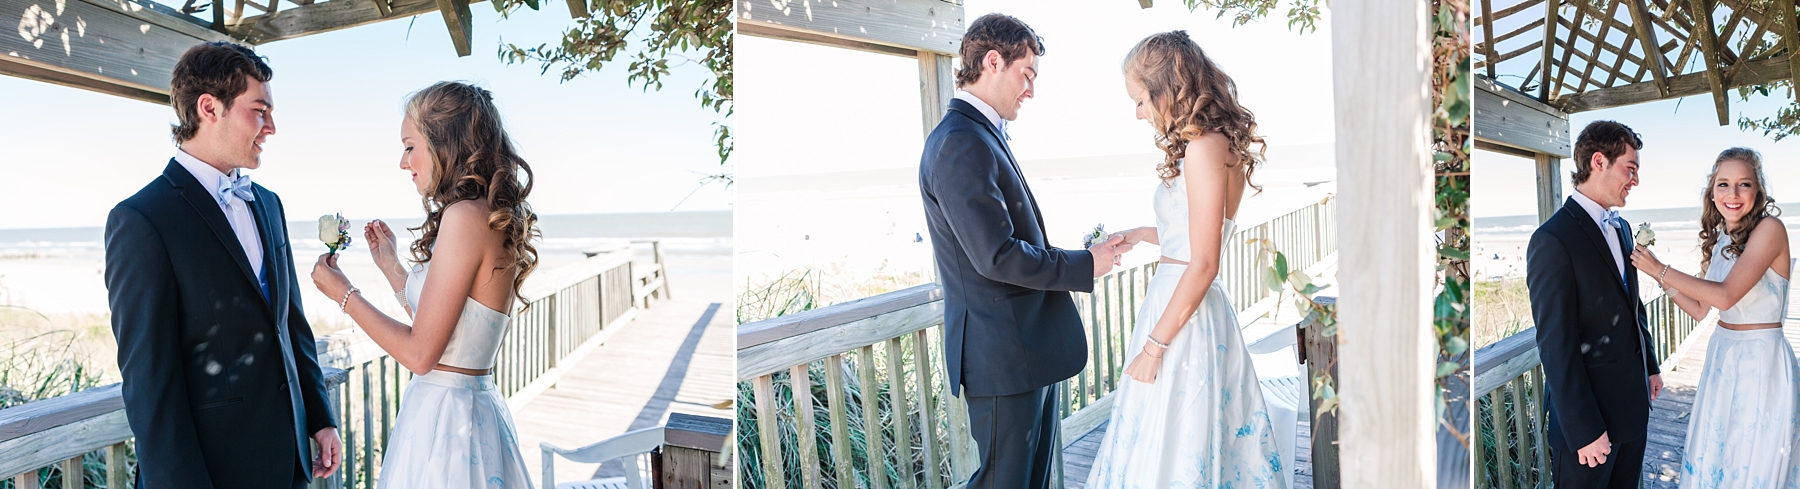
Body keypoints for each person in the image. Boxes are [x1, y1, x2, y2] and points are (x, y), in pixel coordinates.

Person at [104, 41, 341, 489]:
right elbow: (149, 379)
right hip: (211, 471)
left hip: (288, 461)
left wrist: (319, 416)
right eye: (259, 110)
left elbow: (290, 324)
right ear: (209, 108)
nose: (271, 127)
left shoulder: (268, 205)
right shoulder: (141, 219)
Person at [915, 12, 1130, 489]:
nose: (1030, 89)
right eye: (1026, 74)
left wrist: (1082, 255)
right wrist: (1083, 264)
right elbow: (997, 256)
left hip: (1023, 351)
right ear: (993, 61)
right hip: (1002, 356)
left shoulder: (978, 134)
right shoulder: (959, 142)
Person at [309, 81, 540, 488]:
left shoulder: (465, 217)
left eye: (410, 146)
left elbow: (420, 353)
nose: (403, 162)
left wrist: (343, 294)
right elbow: (451, 329)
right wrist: (391, 267)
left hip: (447, 425)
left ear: (443, 144)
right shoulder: (486, 214)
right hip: (472, 410)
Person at [1082, 30, 1286, 488]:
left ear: (1166, 90)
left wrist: (1154, 347)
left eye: (1139, 100)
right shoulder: (1215, 144)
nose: (1138, 113)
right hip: (1188, 304)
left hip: (1184, 316)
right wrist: (1141, 234)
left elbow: (1204, 262)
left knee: (1176, 442)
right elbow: (1197, 236)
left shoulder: (1202, 148)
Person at [1628, 147, 1800, 488]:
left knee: (1752, 460)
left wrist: (1661, 268)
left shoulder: (1770, 229)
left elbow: (1724, 295)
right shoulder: (1722, 238)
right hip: (1724, 355)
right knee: (1716, 454)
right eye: (1723, 184)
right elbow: (1699, 308)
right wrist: (1657, 276)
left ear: (1758, 190)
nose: (1732, 195)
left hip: (1760, 359)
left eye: (1744, 184)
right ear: (1712, 192)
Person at [1526, 119, 1660, 488]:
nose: (1635, 180)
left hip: (1632, 411)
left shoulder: (1623, 228)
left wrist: (1650, 364)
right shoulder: (1552, 239)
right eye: (1630, 169)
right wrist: (1584, 429)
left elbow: (1632, 304)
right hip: (1589, 426)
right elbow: (1555, 344)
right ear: (1599, 161)